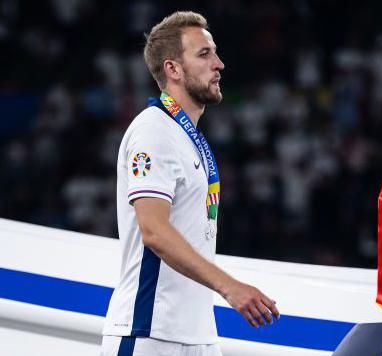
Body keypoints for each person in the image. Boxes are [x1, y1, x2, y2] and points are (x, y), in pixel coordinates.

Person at [101, 11, 280, 356]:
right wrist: (230, 287)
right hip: (148, 331)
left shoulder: (186, 136)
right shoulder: (153, 131)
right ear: (173, 69)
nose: (219, 64)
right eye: (204, 54)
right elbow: (153, 230)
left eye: (214, 52)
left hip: (197, 334)